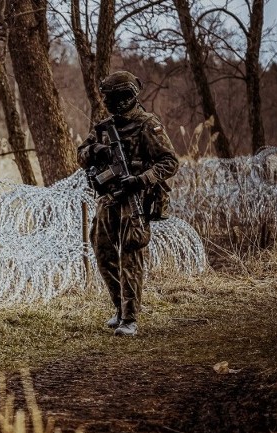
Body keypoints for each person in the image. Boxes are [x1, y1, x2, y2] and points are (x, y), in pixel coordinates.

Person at [77, 71, 179, 336]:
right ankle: (120, 309)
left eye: (124, 97)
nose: (120, 103)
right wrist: (94, 152)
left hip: (136, 200)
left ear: (133, 96)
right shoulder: (103, 127)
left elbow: (169, 162)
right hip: (109, 199)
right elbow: (81, 154)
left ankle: (130, 319)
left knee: (131, 256)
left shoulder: (147, 124)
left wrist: (140, 179)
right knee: (103, 253)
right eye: (114, 98)